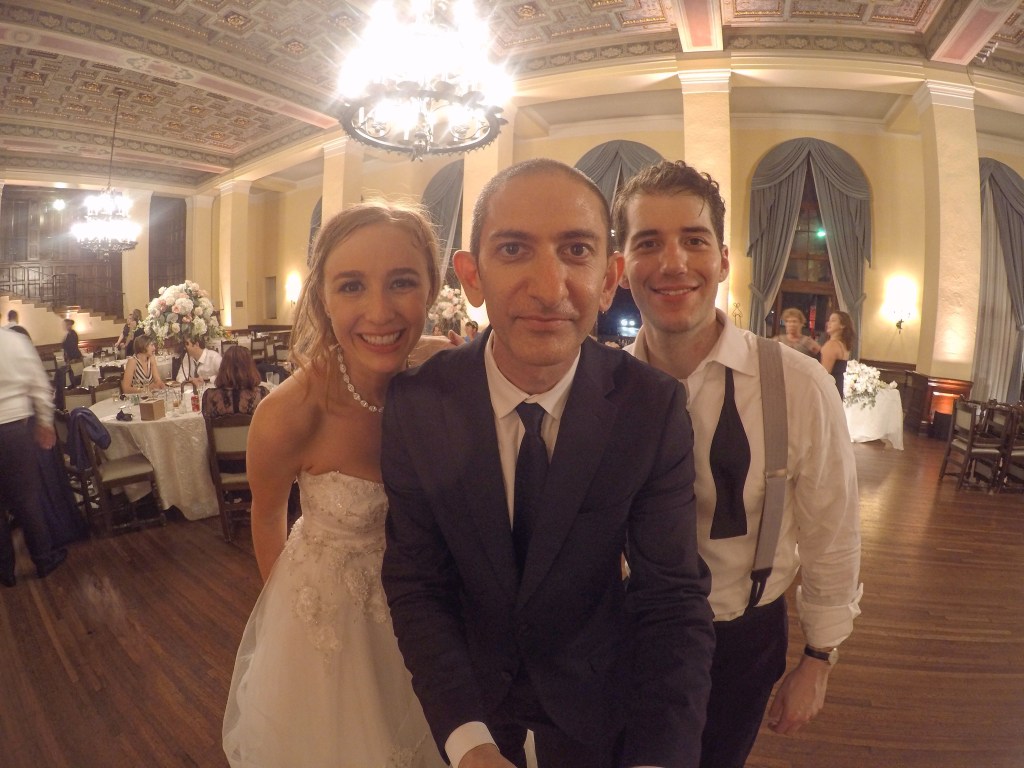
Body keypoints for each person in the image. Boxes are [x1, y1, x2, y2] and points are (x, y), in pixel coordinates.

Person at [381, 158, 715, 768]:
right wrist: (468, 742)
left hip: (596, 697)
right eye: (513, 250)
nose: (547, 287)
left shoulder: (650, 406)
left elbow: (671, 599)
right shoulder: (418, 404)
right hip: (465, 695)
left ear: (609, 278)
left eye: (576, 250)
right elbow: (418, 583)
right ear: (471, 276)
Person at [611, 160, 862, 768]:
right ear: (621, 267)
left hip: (741, 636)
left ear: (723, 261)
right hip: (619, 627)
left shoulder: (798, 385)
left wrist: (819, 658)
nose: (674, 263)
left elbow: (832, 532)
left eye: (694, 240)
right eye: (649, 242)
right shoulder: (600, 383)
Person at [222, 201, 447, 768]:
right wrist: (297, 625)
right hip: (334, 622)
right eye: (351, 286)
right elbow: (266, 515)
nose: (379, 311)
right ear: (323, 297)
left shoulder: (443, 373)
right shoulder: (290, 412)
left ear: (432, 288)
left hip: (436, 604)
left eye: (402, 282)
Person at [0, 328, 68, 587]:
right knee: (27, 499)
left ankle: (5, 571)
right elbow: (39, 385)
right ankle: (43, 559)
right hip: (14, 432)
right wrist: (45, 421)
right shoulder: (14, 341)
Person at [201, 346, 265, 419]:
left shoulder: (209, 397)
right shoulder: (262, 395)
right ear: (251, 368)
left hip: (223, 427)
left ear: (222, 368)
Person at [821, 311, 856, 397]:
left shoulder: (832, 345)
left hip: (828, 390)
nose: (828, 323)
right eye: (829, 320)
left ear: (842, 325)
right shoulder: (844, 345)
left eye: (833, 320)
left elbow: (823, 374)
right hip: (837, 388)